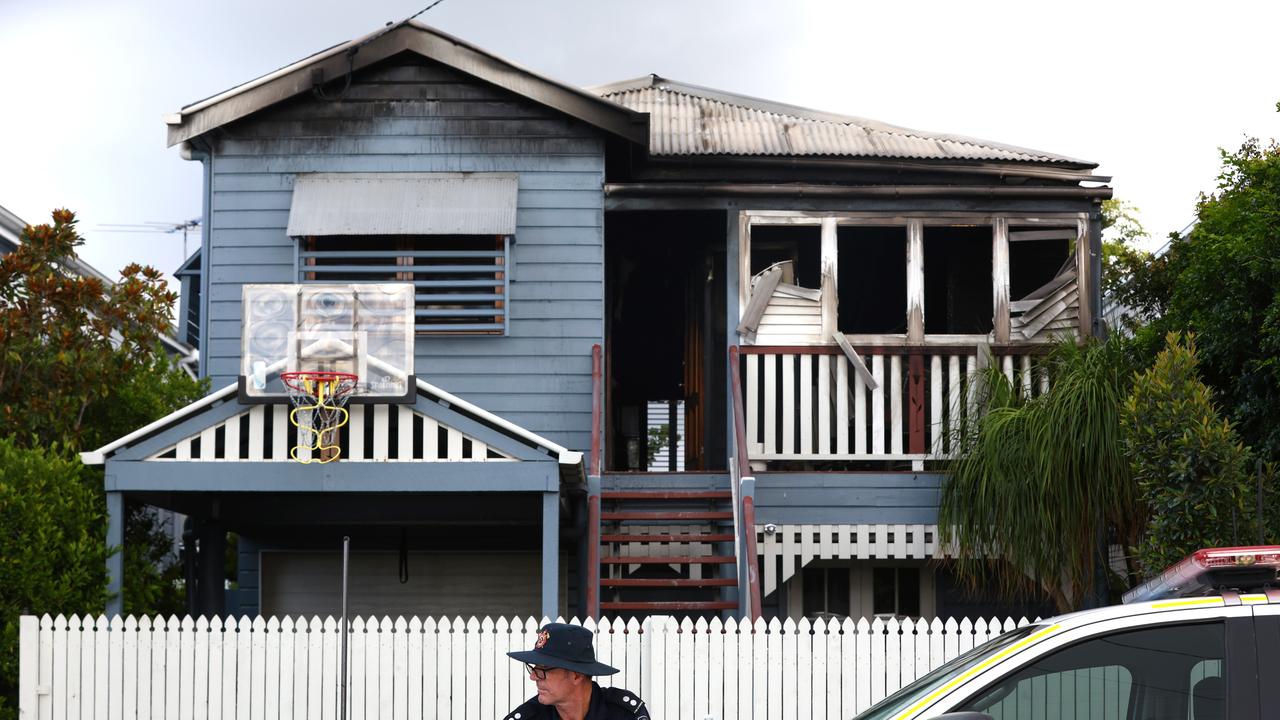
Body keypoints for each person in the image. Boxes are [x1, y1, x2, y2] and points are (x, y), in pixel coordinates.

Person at [504, 622, 650, 720]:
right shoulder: (529, 716)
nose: (533, 676)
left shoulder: (625, 715)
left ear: (576, 675)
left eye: (543, 669)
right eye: (533, 668)